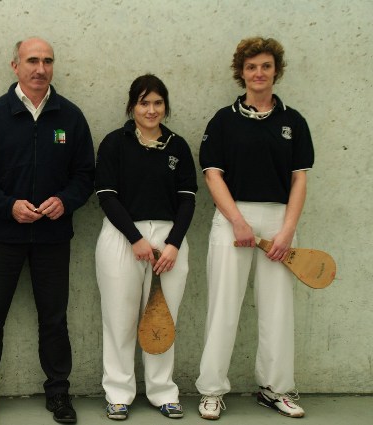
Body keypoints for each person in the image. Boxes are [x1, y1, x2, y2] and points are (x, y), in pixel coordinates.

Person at [0, 37, 95, 425]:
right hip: (3, 236)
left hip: (53, 238)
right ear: (15, 66)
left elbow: (85, 174)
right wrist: (8, 206)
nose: (40, 68)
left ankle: (58, 392)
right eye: (32, 61)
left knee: (54, 318)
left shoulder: (70, 117)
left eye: (48, 61)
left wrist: (65, 201)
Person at [196, 37, 314, 420]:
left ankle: (276, 389)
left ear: (275, 71)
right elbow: (212, 175)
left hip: (280, 222)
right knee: (223, 307)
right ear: (241, 73)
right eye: (251, 67)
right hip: (233, 220)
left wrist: (287, 230)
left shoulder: (293, 121)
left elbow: (299, 179)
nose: (258, 73)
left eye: (265, 66)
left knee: (278, 309)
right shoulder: (223, 120)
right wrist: (237, 221)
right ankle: (212, 390)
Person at [95, 74, 198, 421]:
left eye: (157, 103)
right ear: (132, 106)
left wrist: (173, 244)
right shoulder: (114, 143)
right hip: (122, 238)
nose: (151, 109)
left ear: (165, 106)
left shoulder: (178, 146)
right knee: (120, 319)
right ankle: (118, 393)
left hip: (170, 243)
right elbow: (106, 197)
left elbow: (188, 199)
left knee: (163, 319)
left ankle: (162, 391)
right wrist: (135, 240)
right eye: (144, 102)